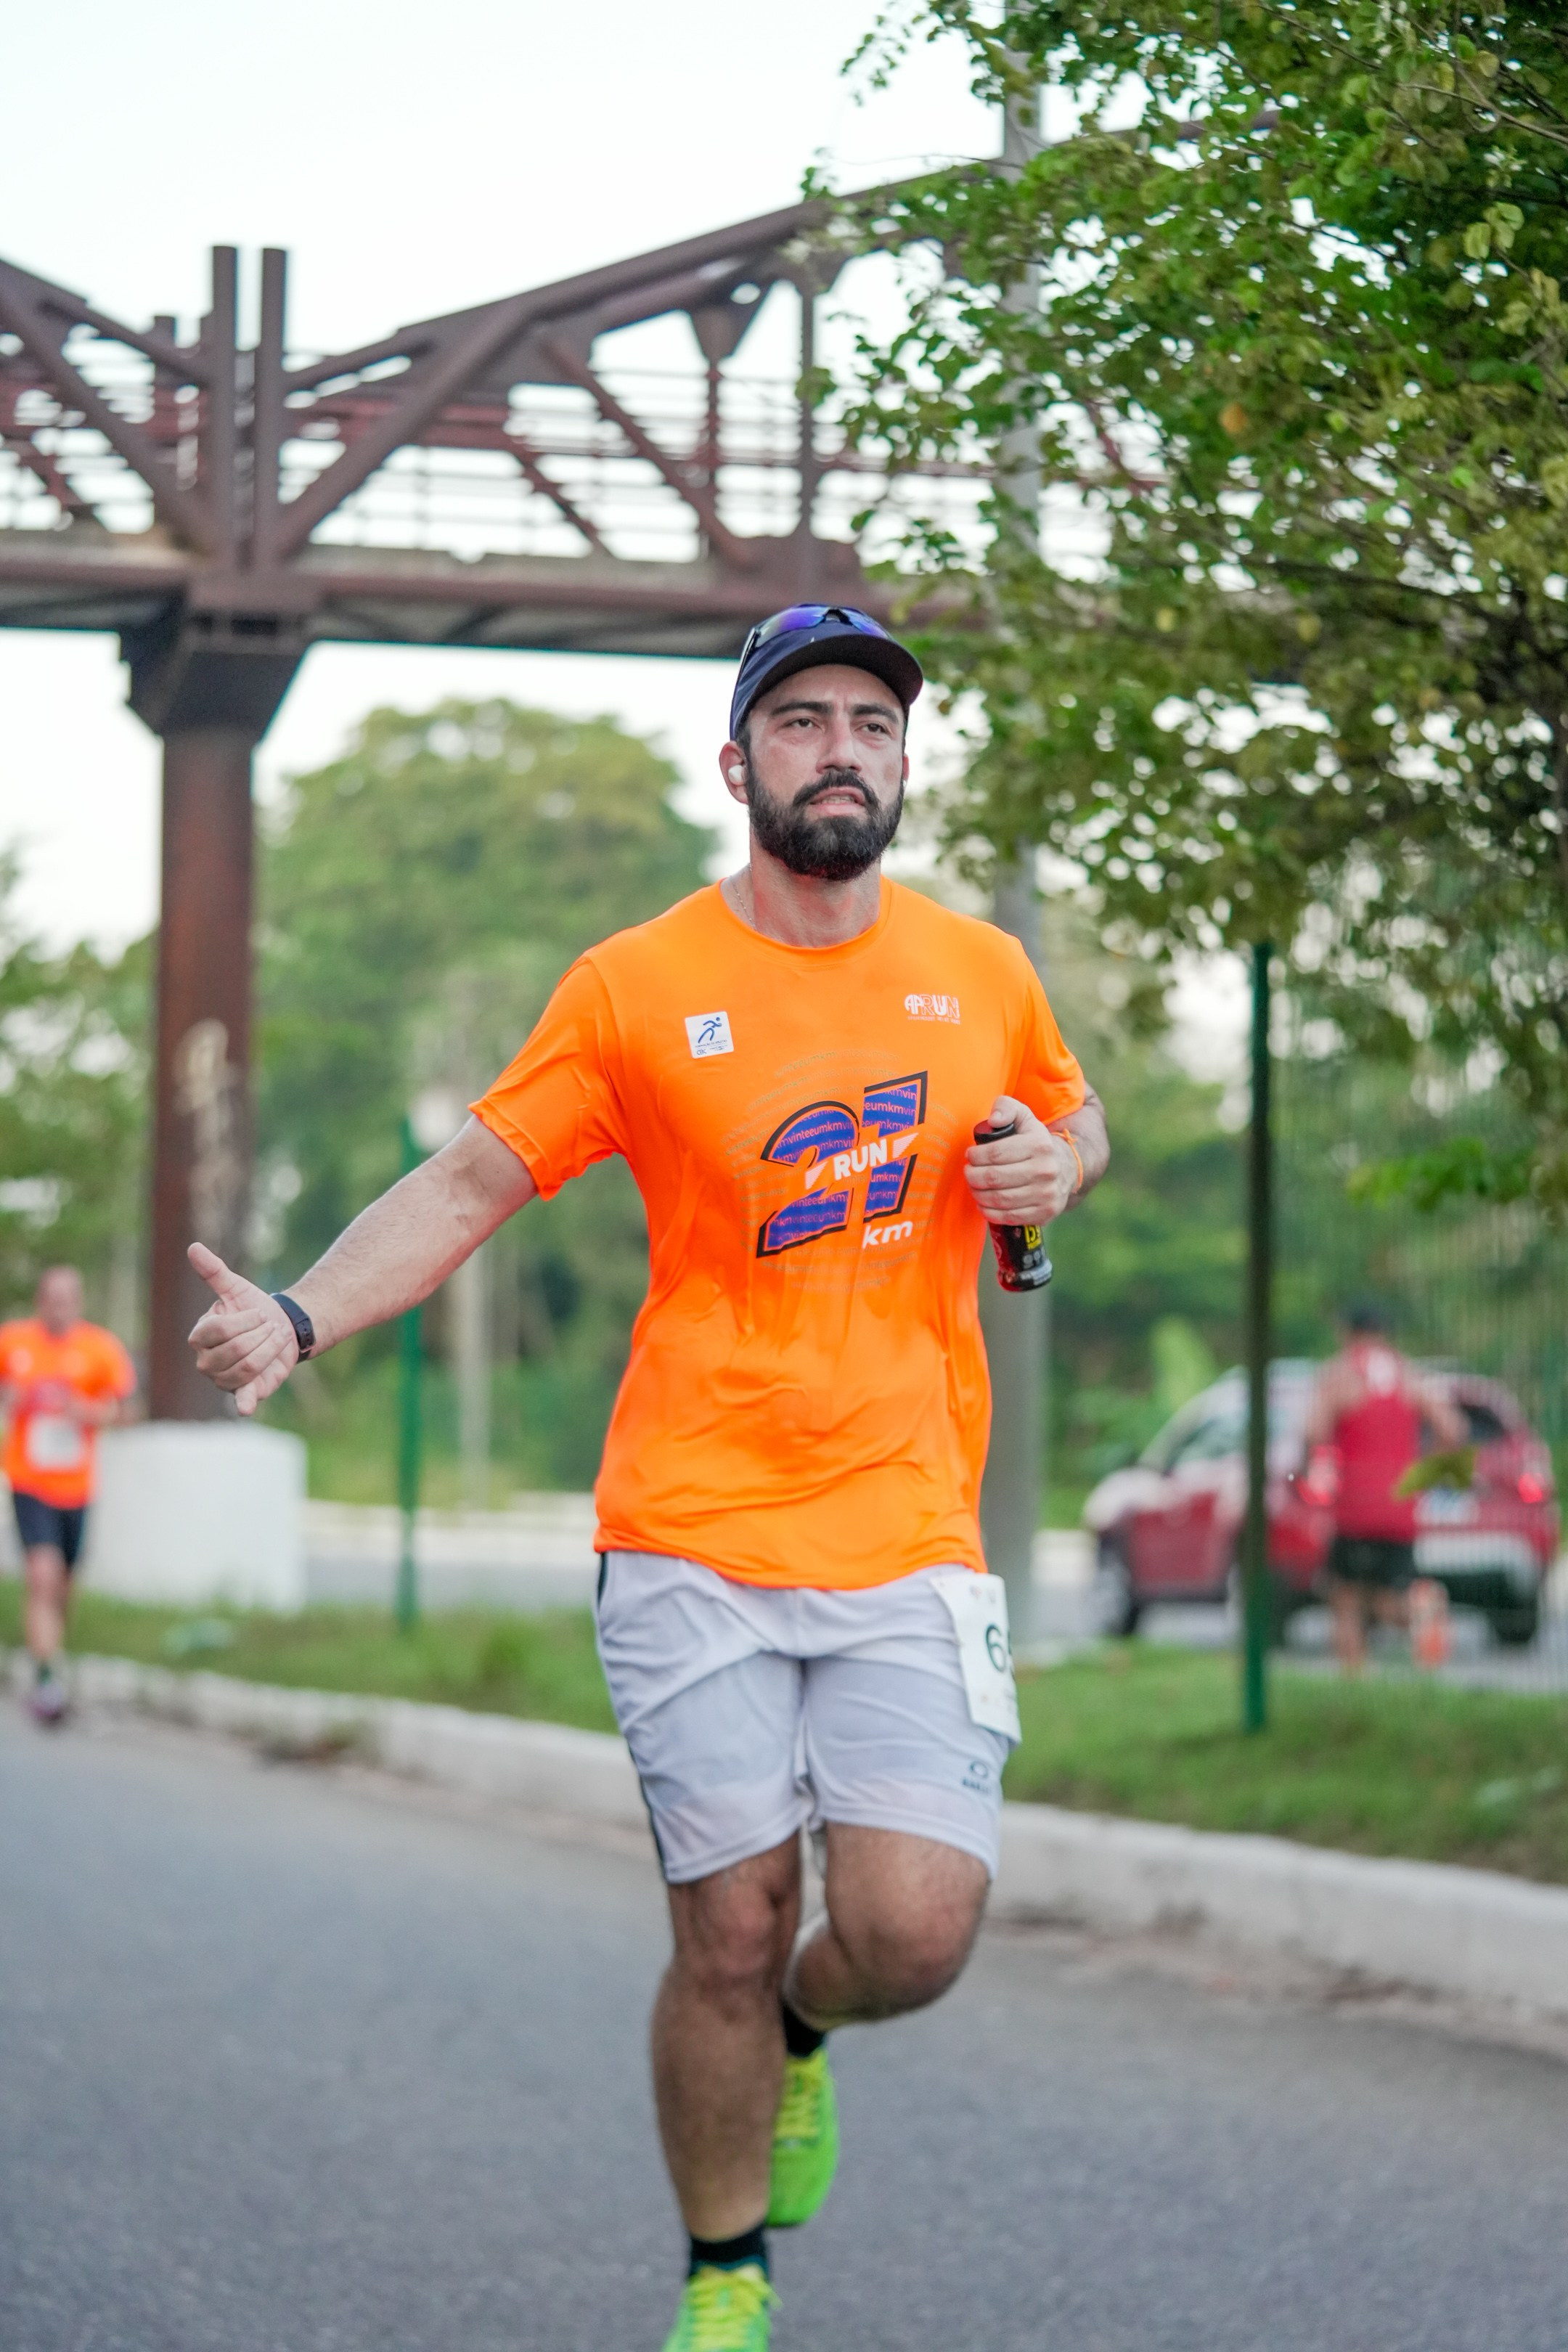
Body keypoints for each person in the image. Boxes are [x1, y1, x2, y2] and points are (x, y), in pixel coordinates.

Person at [187, 603, 1108, 2351]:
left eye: (872, 723)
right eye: (803, 719)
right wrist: (300, 1315)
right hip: (688, 1523)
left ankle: (809, 2039)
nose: (843, 746)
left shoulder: (983, 968)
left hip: (911, 1519)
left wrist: (1052, 1158)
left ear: (900, 764)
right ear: (739, 761)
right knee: (728, 1925)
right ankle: (724, 2262)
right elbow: (469, 1181)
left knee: (909, 1926)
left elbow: (1069, 1120)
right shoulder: (634, 982)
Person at [0, 1265, 137, 1723]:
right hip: (29, 1481)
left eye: (67, 1298)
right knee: (43, 1574)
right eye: (51, 1297)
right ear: (40, 1300)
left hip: (77, 1488)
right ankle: (45, 1680)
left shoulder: (100, 1349)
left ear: (78, 1302)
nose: (58, 1306)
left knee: (63, 1585)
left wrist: (89, 1412)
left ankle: (49, 1654)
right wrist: (10, 1400)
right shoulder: (13, 1342)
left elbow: (129, 1411)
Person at [1304, 1302, 1465, 1673]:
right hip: (1401, 1506)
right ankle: (1420, 1612)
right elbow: (1453, 1429)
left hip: (1354, 1506)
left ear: (1348, 1332)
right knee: (1389, 1591)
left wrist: (1321, 1467)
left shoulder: (1339, 1375)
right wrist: (1424, 1471)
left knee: (1346, 1597)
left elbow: (1313, 1431)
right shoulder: (1409, 1374)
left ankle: (1355, 1680)